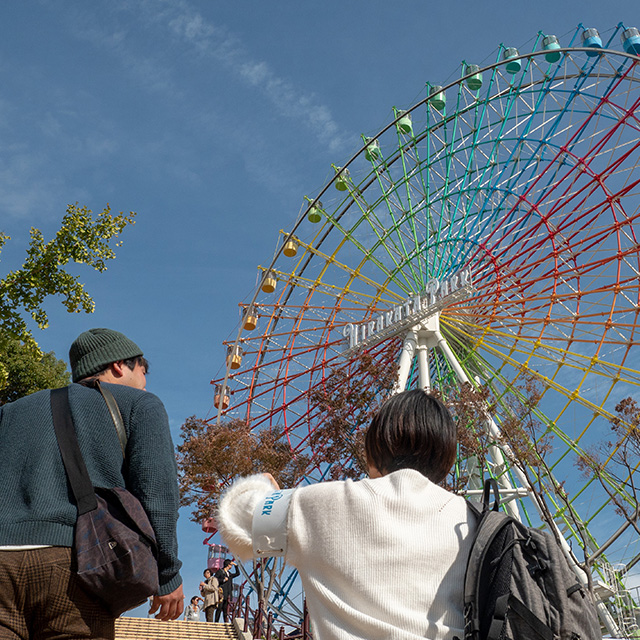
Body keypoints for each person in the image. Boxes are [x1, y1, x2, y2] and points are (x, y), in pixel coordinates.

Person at [216, 389, 476, 640]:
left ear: (375, 447)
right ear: (446, 457)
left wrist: (269, 491)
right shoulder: (473, 522)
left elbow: (236, 517)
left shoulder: (324, 504)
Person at [0, 328, 184, 639]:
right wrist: (167, 574)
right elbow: (157, 495)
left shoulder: (9, 412)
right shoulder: (140, 404)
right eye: (143, 370)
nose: (145, 381)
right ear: (118, 365)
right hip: (73, 561)